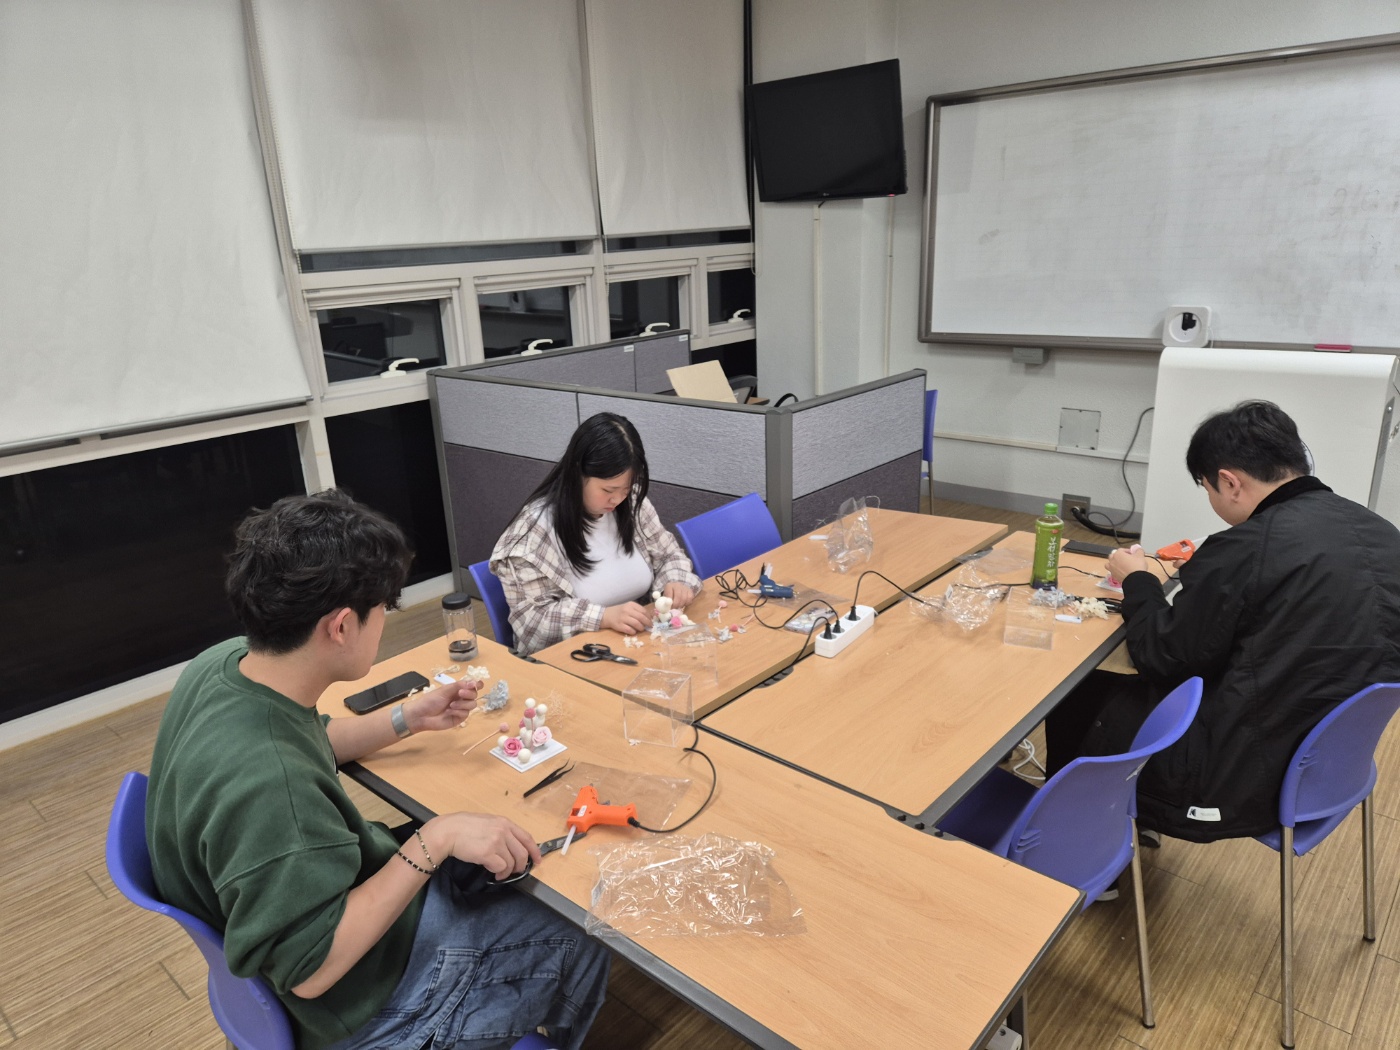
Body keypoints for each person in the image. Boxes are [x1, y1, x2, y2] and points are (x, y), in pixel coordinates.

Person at [146, 490, 609, 1050]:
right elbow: (310, 970)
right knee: (583, 922)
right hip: (350, 1004)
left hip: (305, 915)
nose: (386, 620)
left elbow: (307, 739)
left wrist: (405, 718)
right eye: (384, 608)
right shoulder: (271, 789)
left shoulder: (223, 666)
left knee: (494, 861)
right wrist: (434, 841)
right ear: (342, 626)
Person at [1046, 400, 1400, 842]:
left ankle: (1072, 840)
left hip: (1237, 777)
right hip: (1331, 764)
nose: (1212, 501)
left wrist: (1138, 580)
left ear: (1230, 482)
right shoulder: (1381, 532)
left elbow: (1163, 656)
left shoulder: (1247, 546)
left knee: (1084, 686)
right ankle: (1114, 826)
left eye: (1208, 489)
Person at [491, 411, 702, 656]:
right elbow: (532, 621)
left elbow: (669, 555)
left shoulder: (631, 502)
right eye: (608, 490)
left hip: (638, 644)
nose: (618, 499)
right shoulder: (532, 534)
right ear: (577, 474)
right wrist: (603, 617)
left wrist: (675, 581)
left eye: (625, 489)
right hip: (573, 658)